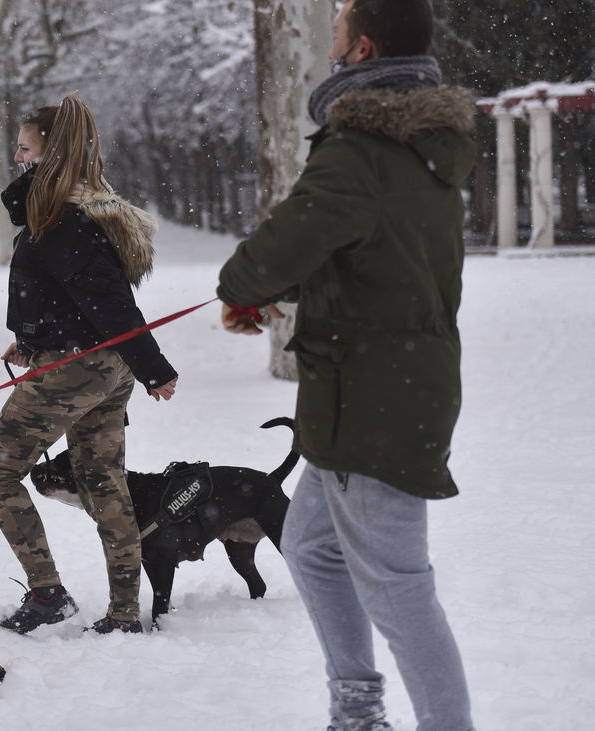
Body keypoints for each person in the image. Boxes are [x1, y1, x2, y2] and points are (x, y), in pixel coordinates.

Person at [216, 0, 476, 728]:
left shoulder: (360, 149)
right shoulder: (420, 146)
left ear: (361, 49)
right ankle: (358, 710)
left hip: (372, 400)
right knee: (310, 547)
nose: (330, 35)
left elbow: (283, 245)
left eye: (338, 26)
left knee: (399, 587)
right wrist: (283, 290)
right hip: (383, 389)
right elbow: (375, 260)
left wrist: (244, 286)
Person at [0, 95, 179, 636]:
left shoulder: (63, 217)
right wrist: (30, 338)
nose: (17, 155)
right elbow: (68, 294)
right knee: (101, 481)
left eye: (26, 147)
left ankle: (47, 595)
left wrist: (155, 367)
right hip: (100, 366)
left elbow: (109, 303)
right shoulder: (70, 207)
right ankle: (123, 613)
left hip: (76, 369)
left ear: (54, 151)